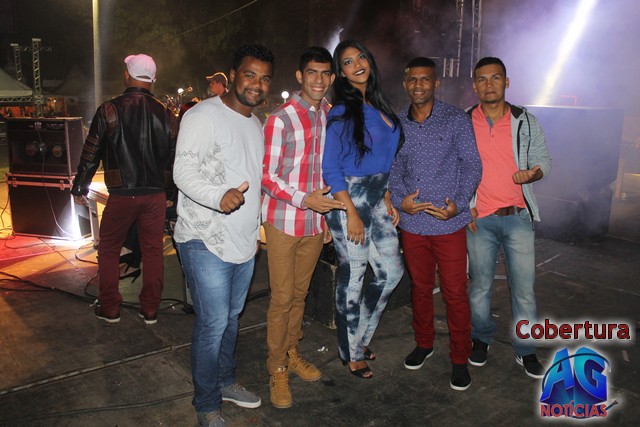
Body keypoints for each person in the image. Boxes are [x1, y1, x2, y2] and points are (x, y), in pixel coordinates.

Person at [172, 44, 274, 427]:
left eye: (264, 78)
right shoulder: (203, 115)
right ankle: (206, 404)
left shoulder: (256, 124)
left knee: (231, 318)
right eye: (250, 74)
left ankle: (226, 382)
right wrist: (219, 196)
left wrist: (256, 225)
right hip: (204, 238)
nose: (257, 84)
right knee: (213, 323)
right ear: (232, 75)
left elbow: (255, 181)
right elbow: (182, 172)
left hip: (244, 241)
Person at [388, 57, 482, 391]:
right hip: (413, 225)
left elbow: (472, 165)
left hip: (448, 224)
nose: (419, 85)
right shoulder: (397, 123)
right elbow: (393, 169)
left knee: (455, 292)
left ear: (436, 83)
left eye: (425, 79)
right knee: (420, 288)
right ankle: (424, 343)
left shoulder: (455, 119)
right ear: (405, 83)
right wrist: (400, 201)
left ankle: (459, 357)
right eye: (413, 79)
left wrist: (459, 203)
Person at [262, 46, 344, 408]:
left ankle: (292, 352)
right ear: (300, 76)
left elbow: (328, 171)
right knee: (281, 298)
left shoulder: (330, 115)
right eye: (312, 72)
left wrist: (323, 217)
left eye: (325, 73)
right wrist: (304, 200)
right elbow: (267, 176)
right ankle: (276, 366)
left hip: (314, 223)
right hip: (283, 220)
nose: (319, 80)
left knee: (300, 295)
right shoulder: (280, 119)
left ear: (332, 78)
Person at [71, 53, 177, 325]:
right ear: (153, 79)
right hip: (154, 195)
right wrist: (170, 194)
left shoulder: (110, 109)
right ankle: (150, 309)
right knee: (153, 252)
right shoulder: (167, 114)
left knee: (108, 249)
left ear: (127, 75)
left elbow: (91, 152)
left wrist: (80, 186)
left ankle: (110, 307)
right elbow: (174, 159)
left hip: (122, 194)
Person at [322, 40, 404, 379]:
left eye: (360, 57)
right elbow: (331, 168)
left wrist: (387, 195)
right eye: (347, 62)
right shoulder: (342, 111)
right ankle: (350, 350)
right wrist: (351, 212)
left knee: (391, 272)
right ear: (341, 73)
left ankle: (361, 337)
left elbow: (384, 159)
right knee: (353, 276)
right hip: (349, 200)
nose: (356, 64)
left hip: (377, 197)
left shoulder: (380, 104)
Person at [466, 57, 552, 379]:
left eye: (495, 78)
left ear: (507, 82)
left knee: (524, 289)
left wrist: (533, 173)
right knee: (479, 287)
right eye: (482, 79)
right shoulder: (464, 122)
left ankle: (526, 349)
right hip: (480, 218)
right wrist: (465, 205)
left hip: (518, 217)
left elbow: (544, 160)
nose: (489, 84)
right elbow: (455, 168)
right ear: (474, 85)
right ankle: (481, 338)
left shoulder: (525, 121)